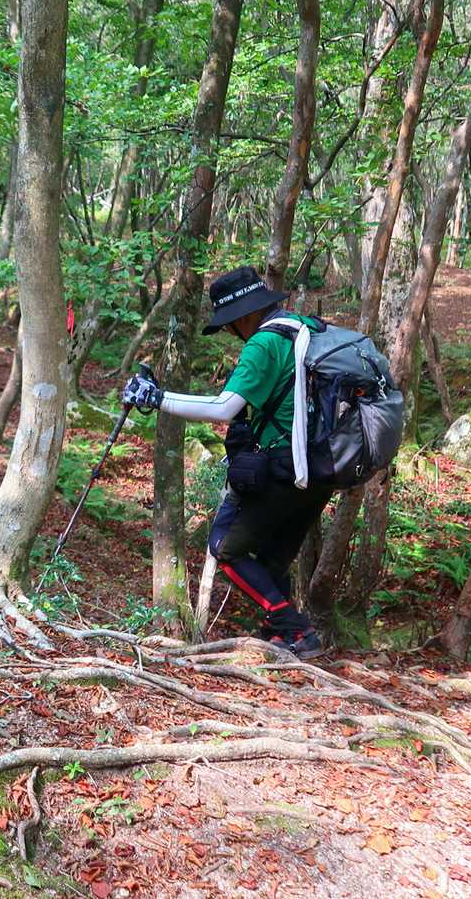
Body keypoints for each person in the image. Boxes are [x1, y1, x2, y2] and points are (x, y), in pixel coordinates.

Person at [122, 266, 331, 658]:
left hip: (287, 465)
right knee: (271, 557)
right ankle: (279, 638)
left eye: (230, 324)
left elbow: (224, 408)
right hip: (323, 468)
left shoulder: (264, 342)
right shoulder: (305, 328)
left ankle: (296, 630)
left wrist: (156, 398)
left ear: (242, 316)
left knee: (225, 547)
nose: (233, 333)